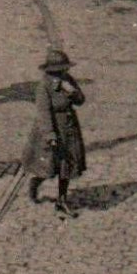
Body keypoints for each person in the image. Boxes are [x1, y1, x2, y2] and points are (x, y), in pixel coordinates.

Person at [23, 49, 87, 218]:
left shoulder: (68, 81)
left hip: (69, 128)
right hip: (52, 129)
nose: (64, 73)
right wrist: (50, 135)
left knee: (67, 165)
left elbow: (80, 101)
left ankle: (62, 200)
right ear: (51, 71)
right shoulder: (44, 87)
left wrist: (73, 92)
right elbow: (43, 113)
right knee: (49, 167)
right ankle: (35, 184)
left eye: (64, 70)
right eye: (60, 71)